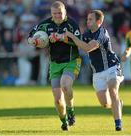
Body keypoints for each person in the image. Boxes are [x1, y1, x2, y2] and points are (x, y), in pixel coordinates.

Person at [66, 10, 124, 131]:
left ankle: (118, 124)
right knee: (105, 103)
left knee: (113, 90)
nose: (88, 21)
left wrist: (71, 36)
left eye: (90, 19)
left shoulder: (102, 33)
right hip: (97, 73)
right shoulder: (87, 34)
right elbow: (77, 44)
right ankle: (118, 104)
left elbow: (87, 48)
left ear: (99, 21)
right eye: (87, 19)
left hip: (112, 67)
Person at [28, 1, 81, 131]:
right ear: (51, 14)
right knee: (57, 100)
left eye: (60, 13)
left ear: (65, 12)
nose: (57, 16)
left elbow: (80, 43)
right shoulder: (45, 24)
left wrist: (63, 38)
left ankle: (71, 112)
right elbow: (30, 36)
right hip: (55, 64)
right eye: (54, 13)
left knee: (66, 85)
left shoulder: (71, 24)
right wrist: (34, 41)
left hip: (71, 61)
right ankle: (64, 121)